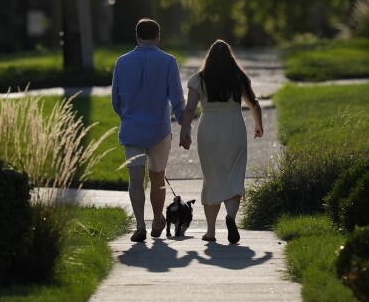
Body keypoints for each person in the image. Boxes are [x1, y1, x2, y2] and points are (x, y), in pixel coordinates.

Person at [179, 39, 264, 243]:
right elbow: (254, 103)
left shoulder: (198, 79)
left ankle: (210, 232)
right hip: (234, 128)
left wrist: (185, 132)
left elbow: (190, 109)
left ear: (208, 58)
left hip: (209, 130)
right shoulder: (238, 77)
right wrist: (258, 125)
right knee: (234, 177)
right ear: (230, 58)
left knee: (212, 178)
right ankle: (230, 217)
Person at [112, 18, 185, 242]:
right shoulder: (168, 61)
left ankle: (140, 225)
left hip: (132, 130)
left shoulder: (122, 62)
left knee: (135, 180)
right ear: (158, 37)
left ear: (137, 37)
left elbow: (116, 100)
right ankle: (156, 220)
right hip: (159, 131)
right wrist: (185, 126)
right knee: (158, 179)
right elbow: (176, 99)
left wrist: (127, 116)